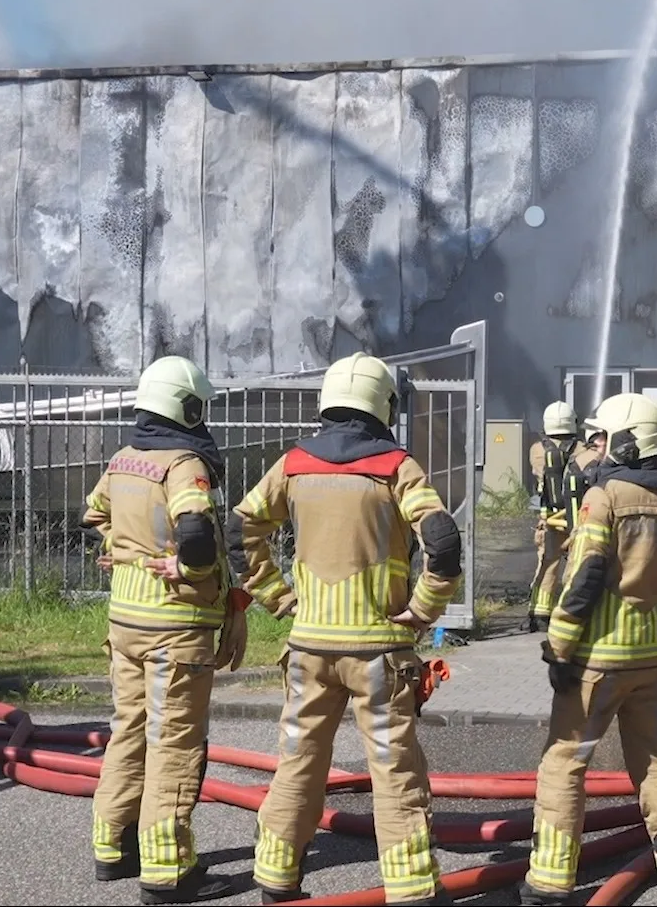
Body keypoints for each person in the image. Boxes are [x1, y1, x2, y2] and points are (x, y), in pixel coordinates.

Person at [227, 351, 462, 905]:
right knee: (393, 768)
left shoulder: (293, 464)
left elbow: (240, 529)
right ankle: (409, 889)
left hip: (308, 648)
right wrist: (424, 608)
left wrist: (275, 596)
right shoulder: (397, 467)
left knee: (299, 760)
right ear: (385, 405)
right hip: (378, 653)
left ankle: (277, 877)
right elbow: (443, 542)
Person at [522, 392, 657, 905]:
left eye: (602, 437)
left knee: (565, 760)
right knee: (655, 756)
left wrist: (558, 646)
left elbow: (584, 576)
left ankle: (550, 880)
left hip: (599, 659)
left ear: (625, 442)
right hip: (651, 657)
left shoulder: (604, 498)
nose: (596, 446)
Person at [84, 355, 247, 904]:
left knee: (128, 729)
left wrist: (122, 551)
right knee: (174, 741)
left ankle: (112, 846)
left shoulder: (124, 459)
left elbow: (95, 516)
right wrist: (188, 567)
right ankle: (168, 869)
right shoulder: (184, 465)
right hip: (174, 627)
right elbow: (198, 535)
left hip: (125, 622)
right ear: (189, 407)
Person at [524, 401, 581, 632]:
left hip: (548, 519)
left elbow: (539, 477)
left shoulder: (537, 450)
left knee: (547, 564)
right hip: (576, 519)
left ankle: (539, 613)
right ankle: (571, 613)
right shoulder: (583, 450)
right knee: (576, 565)